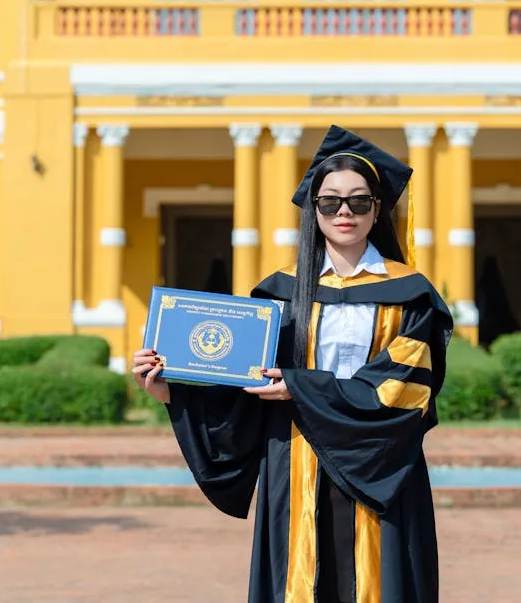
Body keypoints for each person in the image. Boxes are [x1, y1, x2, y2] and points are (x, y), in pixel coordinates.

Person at [132, 125, 454, 603]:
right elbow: (241, 386)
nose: (344, 212)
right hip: (294, 462)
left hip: (379, 465)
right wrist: (172, 389)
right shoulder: (278, 293)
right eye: (330, 202)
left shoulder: (411, 294)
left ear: (377, 209)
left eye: (359, 201)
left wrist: (299, 388)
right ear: (313, 209)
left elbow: (403, 390)